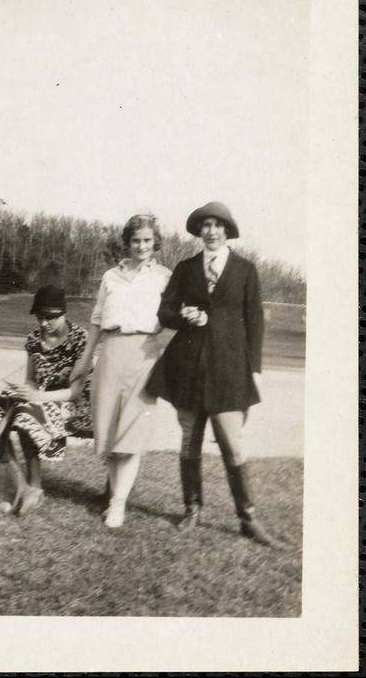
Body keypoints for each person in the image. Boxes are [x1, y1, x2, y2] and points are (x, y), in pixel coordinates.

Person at [146, 202, 273, 546]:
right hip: (188, 365)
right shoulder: (186, 268)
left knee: (233, 443)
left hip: (229, 368)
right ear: (200, 231)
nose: (212, 231)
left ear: (227, 231)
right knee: (190, 438)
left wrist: (256, 368)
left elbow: (256, 321)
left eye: (218, 225)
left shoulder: (245, 269)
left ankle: (248, 519)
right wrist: (183, 315)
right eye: (206, 225)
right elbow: (164, 311)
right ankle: (192, 510)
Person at [70, 214, 171, 529]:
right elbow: (98, 319)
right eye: (136, 240)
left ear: (156, 244)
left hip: (144, 355)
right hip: (111, 355)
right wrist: (86, 359)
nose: (142, 246)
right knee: (110, 433)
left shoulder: (165, 277)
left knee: (131, 433)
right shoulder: (110, 277)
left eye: (147, 241)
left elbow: (173, 317)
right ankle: (115, 495)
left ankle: (118, 504)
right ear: (127, 243)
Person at [0, 285, 92, 515]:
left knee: (24, 416)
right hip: (38, 395)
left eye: (49, 318)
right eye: (39, 317)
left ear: (63, 313)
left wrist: (35, 396)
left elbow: (76, 392)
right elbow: (31, 378)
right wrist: (24, 391)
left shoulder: (81, 339)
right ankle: (22, 486)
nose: (43, 324)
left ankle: (35, 485)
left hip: (68, 401)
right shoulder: (33, 339)